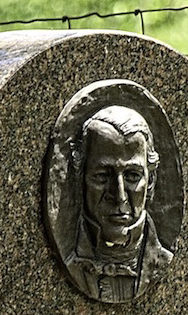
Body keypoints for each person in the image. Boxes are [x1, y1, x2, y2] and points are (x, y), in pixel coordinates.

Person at [63, 105, 173, 303]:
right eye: (102, 176)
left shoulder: (164, 261)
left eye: (132, 176)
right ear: (80, 179)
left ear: (151, 180)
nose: (119, 195)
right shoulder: (67, 260)